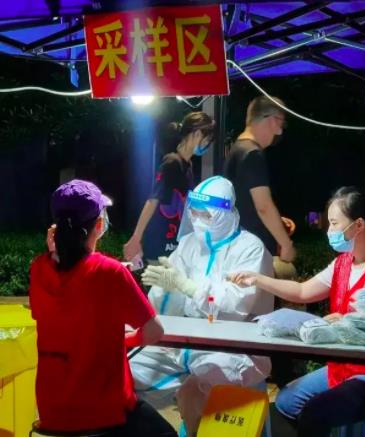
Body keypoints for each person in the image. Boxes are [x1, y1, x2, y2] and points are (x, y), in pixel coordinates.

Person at [230, 186, 365, 437]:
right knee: (286, 402)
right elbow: (302, 291)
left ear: (358, 225)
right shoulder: (343, 264)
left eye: (334, 223)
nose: (329, 231)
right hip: (344, 367)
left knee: (316, 413)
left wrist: (349, 322)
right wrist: (258, 279)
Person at [129, 176, 274, 435]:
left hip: (233, 350)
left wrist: (189, 287)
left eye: (205, 214)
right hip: (183, 346)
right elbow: (164, 307)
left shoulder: (250, 248)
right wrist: (164, 289)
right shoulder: (189, 244)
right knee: (124, 374)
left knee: (194, 391)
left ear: (225, 212)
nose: (197, 220)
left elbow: (234, 306)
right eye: (193, 213)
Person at [29, 180, 175, 436]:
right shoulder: (110, 272)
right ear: (98, 225)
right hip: (104, 412)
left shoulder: (39, 270)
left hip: (52, 411)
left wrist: (53, 252)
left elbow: (63, 317)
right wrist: (126, 339)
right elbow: (154, 331)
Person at [124, 111, 215, 265]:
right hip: (160, 246)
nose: (207, 145)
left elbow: (189, 202)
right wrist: (136, 238)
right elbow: (153, 200)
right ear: (198, 133)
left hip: (173, 246)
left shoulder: (187, 166)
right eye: (207, 140)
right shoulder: (172, 162)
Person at [224, 95, 295, 263]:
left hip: (236, 245)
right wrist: (286, 244)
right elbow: (263, 207)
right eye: (281, 123)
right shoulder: (253, 154)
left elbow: (243, 202)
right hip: (251, 250)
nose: (280, 131)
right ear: (272, 120)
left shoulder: (237, 149)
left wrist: (276, 221)